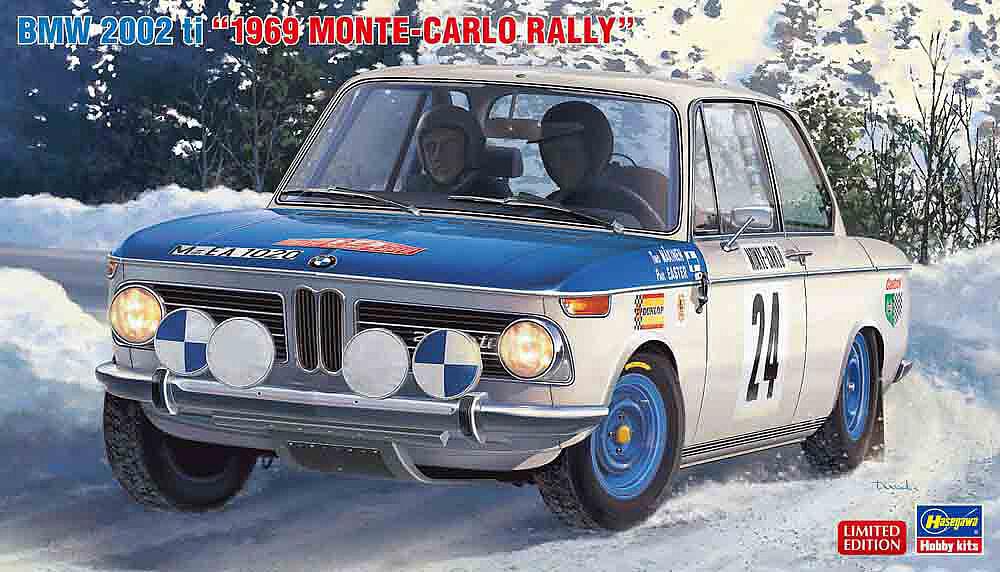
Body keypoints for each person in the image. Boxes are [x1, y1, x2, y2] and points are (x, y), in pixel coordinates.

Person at [534, 101, 663, 229]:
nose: (555, 163)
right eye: (547, 154)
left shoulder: (648, 189)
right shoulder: (551, 204)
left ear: (594, 151)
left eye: (566, 152)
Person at [406, 105, 510, 197]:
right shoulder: (412, 193)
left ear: (471, 151)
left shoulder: (494, 196)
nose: (437, 156)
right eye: (430, 147)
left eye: (449, 146)